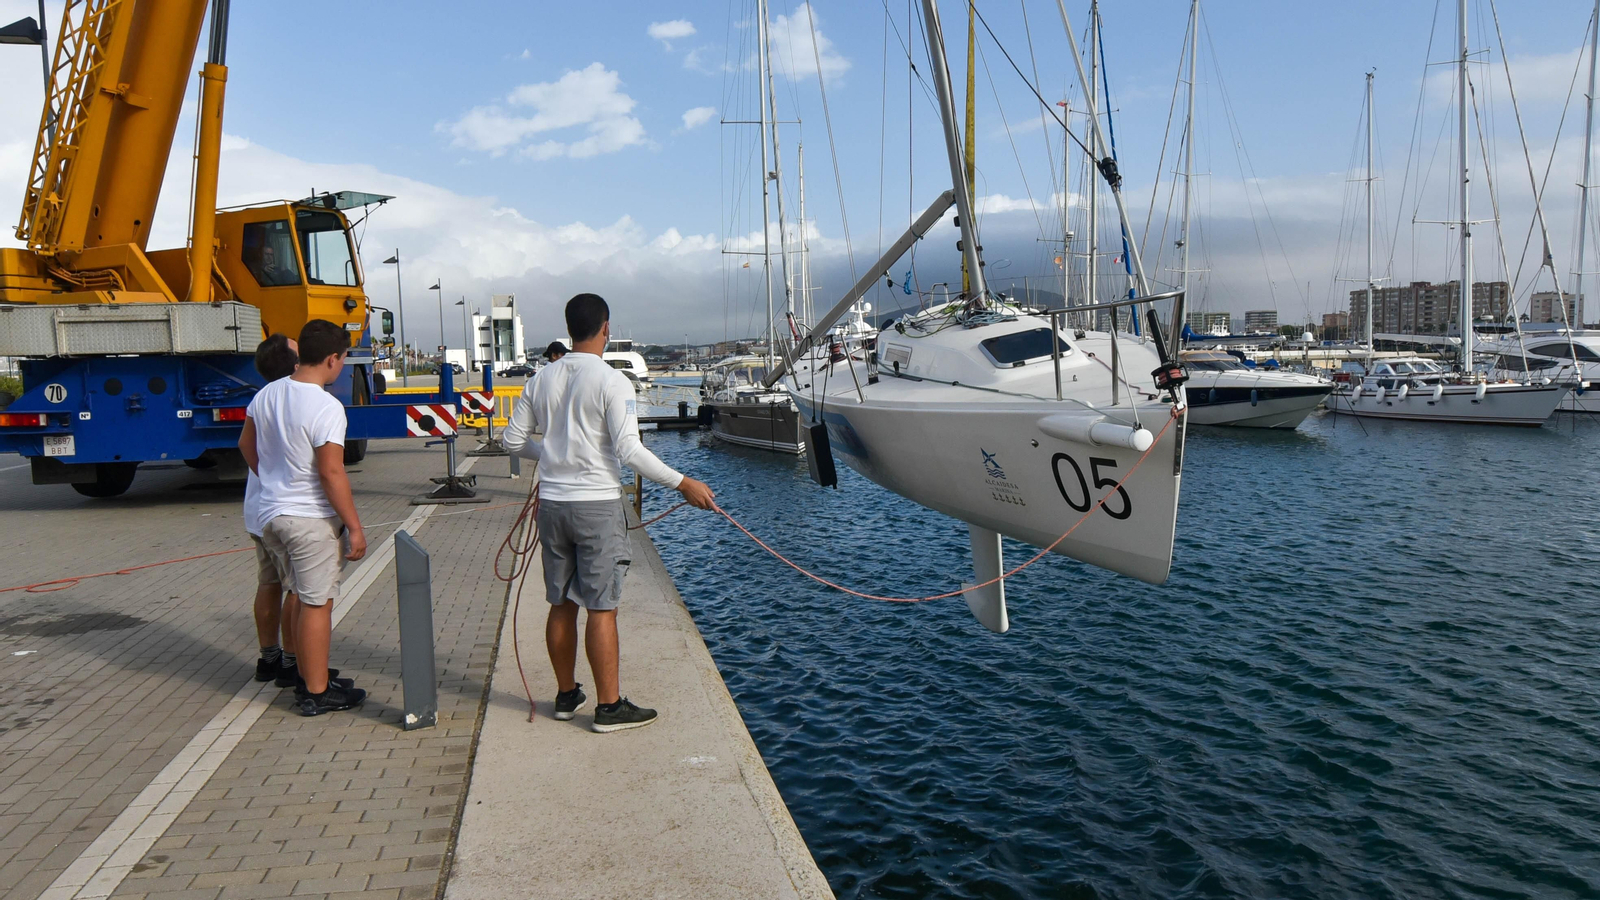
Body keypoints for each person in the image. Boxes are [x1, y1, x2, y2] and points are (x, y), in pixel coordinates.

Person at [502, 294, 714, 733]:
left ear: (569, 329)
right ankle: (609, 707)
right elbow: (629, 450)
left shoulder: (540, 379)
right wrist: (684, 483)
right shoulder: (612, 381)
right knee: (602, 607)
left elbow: (511, 442)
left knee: (560, 602)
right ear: (606, 328)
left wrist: (551, 456)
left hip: (553, 505)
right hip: (595, 506)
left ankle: (565, 696)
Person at [239, 319, 368, 716]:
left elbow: (246, 444)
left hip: (271, 516)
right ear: (332, 358)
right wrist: (356, 527)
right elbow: (331, 472)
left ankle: (307, 672)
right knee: (317, 603)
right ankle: (315, 691)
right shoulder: (326, 406)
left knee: (296, 594)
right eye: (343, 359)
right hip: (309, 520)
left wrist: (274, 480)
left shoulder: (267, 394)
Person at [247, 334, 304, 688]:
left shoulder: (260, 397)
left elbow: (245, 444)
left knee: (268, 583)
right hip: (285, 509)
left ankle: (269, 658)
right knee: (298, 589)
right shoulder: (296, 394)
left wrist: (262, 474)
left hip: (257, 508)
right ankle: (292, 662)